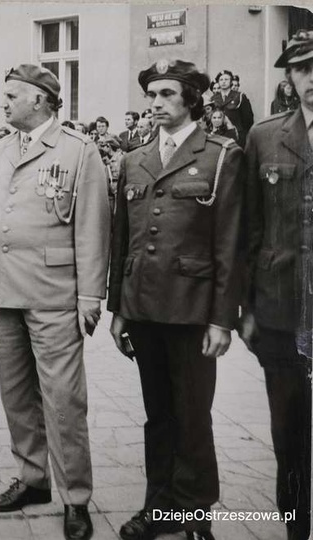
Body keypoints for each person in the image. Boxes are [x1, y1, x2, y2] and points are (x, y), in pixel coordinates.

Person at [0, 64, 109, 540]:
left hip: (53, 294)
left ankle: (75, 497)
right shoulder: (0, 151)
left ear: (42, 100)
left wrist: (91, 295)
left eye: (12, 95)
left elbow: (93, 228)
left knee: (64, 400)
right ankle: (32, 479)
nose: (3, 102)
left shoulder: (78, 151)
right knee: (15, 394)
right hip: (2, 288)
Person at [109, 59, 244, 540]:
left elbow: (230, 243)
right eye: (151, 95)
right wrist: (118, 309)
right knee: (158, 415)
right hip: (143, 308)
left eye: (167, 94)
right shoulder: (133, 159)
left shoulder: (222, 156)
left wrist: (222, 320)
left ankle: (193, 514)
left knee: (192, 413)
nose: (157, 104)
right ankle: (158, 504)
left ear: (191, 99)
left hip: (192, 309)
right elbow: (120, 241)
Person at [239, 29, 313, 540]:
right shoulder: (265, 136)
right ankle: (295, 527)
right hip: (281, 309)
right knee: (288, 433)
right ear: (289, 78)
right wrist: (244, 308)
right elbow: (248, 228)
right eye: (305, 69)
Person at [211, 69, 254, 145]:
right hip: (218, 136)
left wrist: (243, 135)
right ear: (218, 82)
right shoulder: (213, 98)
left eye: (226, 79)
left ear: (231, 81)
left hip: (236, 137)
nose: (223, 81)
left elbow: (248, 119)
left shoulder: (239, 96)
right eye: (221, 79)